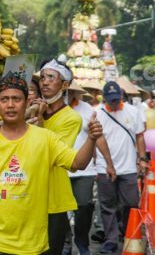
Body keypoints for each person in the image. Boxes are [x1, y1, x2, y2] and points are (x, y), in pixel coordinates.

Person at [0, 72, 103, 255]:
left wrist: (91, 139)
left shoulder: (45, 138)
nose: (11, 105)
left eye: (16, 99)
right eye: (4, 100)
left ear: (27, 103)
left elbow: (78, 163)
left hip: (31, 244)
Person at [35, 59, 82, 255]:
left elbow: (49, 152)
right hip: (27, 193)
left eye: (51, 78)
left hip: (54, 197)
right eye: (42, 77)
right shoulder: (31, 108)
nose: (44, 82)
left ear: (64, 85)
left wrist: (38, 119)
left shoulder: (71, 118)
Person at [94, 81, 147, 254]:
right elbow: (93, 141)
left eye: (117, 99)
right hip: (104, 167)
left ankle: (126, 231)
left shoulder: (133, 112)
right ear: (104, 98)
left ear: (122, 97)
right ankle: (110, 240)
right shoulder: (97, 113)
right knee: (107, 205)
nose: (114, 103)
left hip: (128, 167)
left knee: (131, 203)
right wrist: (95, 164)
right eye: (111, 100)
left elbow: (139, 137)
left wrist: (142, 159)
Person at [65, 82, 116, 255]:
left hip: (83, 170)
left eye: (71, 91)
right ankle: (65, 244)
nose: (68, 94)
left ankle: (81, 241)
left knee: (84, 206)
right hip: (59, 168)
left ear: (76, 93)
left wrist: (109, 163)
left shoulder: (87, 109)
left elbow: (98, 137)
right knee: (59, 210)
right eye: (66, 91)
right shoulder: (49, 109)